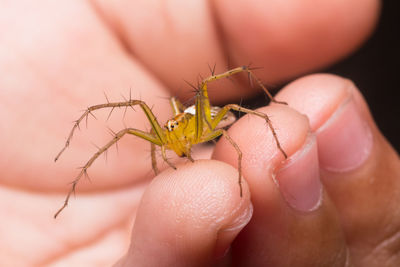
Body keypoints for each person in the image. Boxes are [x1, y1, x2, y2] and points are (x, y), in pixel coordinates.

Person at [1, 0, 398, 266]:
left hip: (203, 127)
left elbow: (229, 95)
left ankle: (269, 125)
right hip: (182, 136)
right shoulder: (165, 133)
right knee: (127, 125)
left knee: (218, 89)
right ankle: (69, 192)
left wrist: (258, 129)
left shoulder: (203, 117)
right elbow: (132, 129)